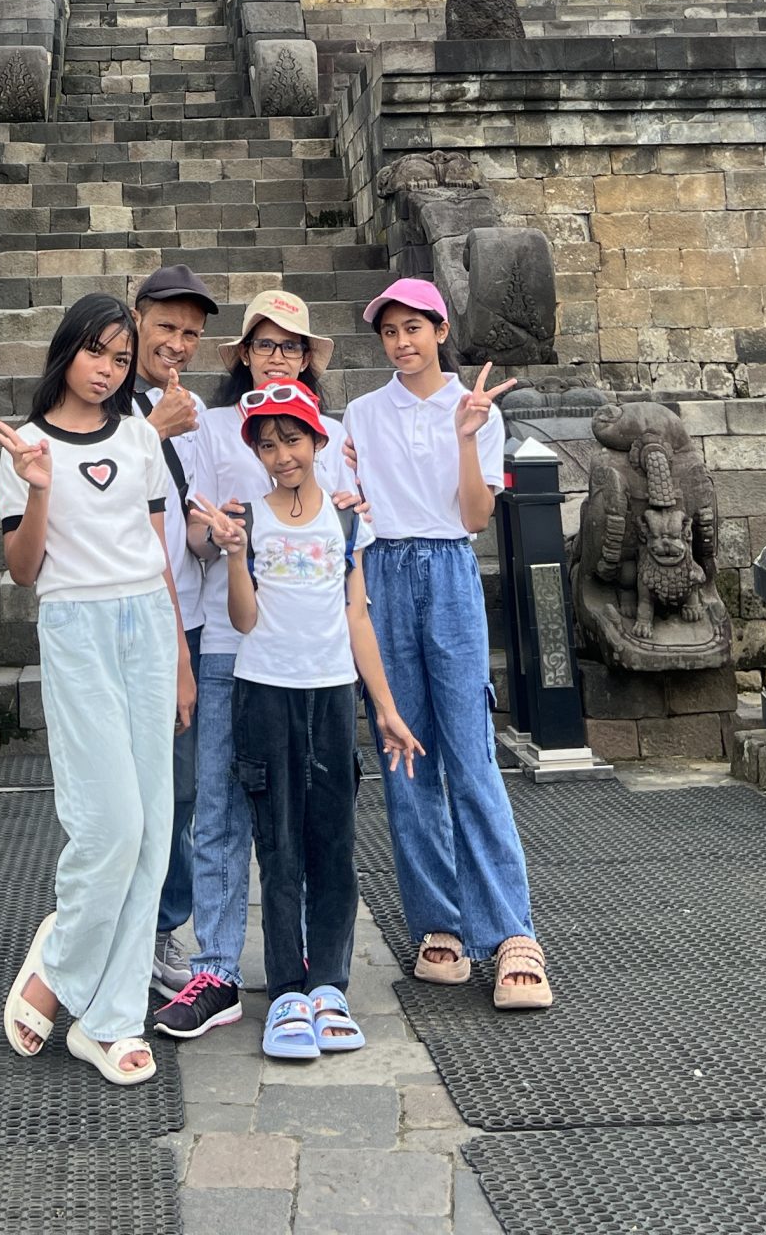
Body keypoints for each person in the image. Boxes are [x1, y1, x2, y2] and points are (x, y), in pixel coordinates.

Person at [0, 293, 198, 1087]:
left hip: (147, 626)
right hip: (76, 629)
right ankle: (56, 968)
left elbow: (158, 550)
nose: (109, 370)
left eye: (121, 359)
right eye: (98, 354)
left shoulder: (142, 441)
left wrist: (179, 657)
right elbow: (22, 570)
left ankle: (109, 1021)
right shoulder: (24, 445)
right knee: (108, 823)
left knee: (153, 828)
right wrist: (39, 486)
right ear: (67, 351)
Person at [191, 380, 421, 1060]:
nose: (281, 454)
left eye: (292, 439)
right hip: (264, 694)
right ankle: (286, 988)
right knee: (278, 845)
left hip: (330, 695)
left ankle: (330, 985)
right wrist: (235, 555)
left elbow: (358, 617)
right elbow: (243, 620)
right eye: (267, 444)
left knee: (334, 847)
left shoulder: (349, 521)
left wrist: (385, 708)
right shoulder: (250, 519)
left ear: (318, 441)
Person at [343, 277, 554, 1011]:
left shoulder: (474, 408)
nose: (402, 342)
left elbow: (473, 514)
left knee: (470, 752)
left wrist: (467, 437)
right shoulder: (362, 414)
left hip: (448, 568)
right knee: (406, 757)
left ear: (439, 331)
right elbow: (350, 500)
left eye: (414, 328)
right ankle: (439, 922)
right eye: (390, 332)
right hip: (384, 573)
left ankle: (510, 932)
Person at [150, 289, 356, 1042]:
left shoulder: (331, 434)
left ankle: (303, 972)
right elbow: (194, 535)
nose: (279, 355)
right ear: (242, 354)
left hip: (308, 653)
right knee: (219, 806)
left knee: (308, 812)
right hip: (228, 638)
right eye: (265, 344)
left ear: (308, 358)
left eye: (292, 345)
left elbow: (349, 550)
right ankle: (218, 966)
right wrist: (220, 536)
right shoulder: (207, 427)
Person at [129, 265, 219, 999]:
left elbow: (177, 520)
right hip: (124, 619)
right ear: (136, 319)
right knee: (122, 790)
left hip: (185, 613)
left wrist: (212, 533)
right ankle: (114, 926)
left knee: (181, 790)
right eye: (168, 327)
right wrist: (153, 431)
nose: (179, 344)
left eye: (191, 334)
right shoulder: (109, 399)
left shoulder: (185, 409)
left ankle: (163, 927)